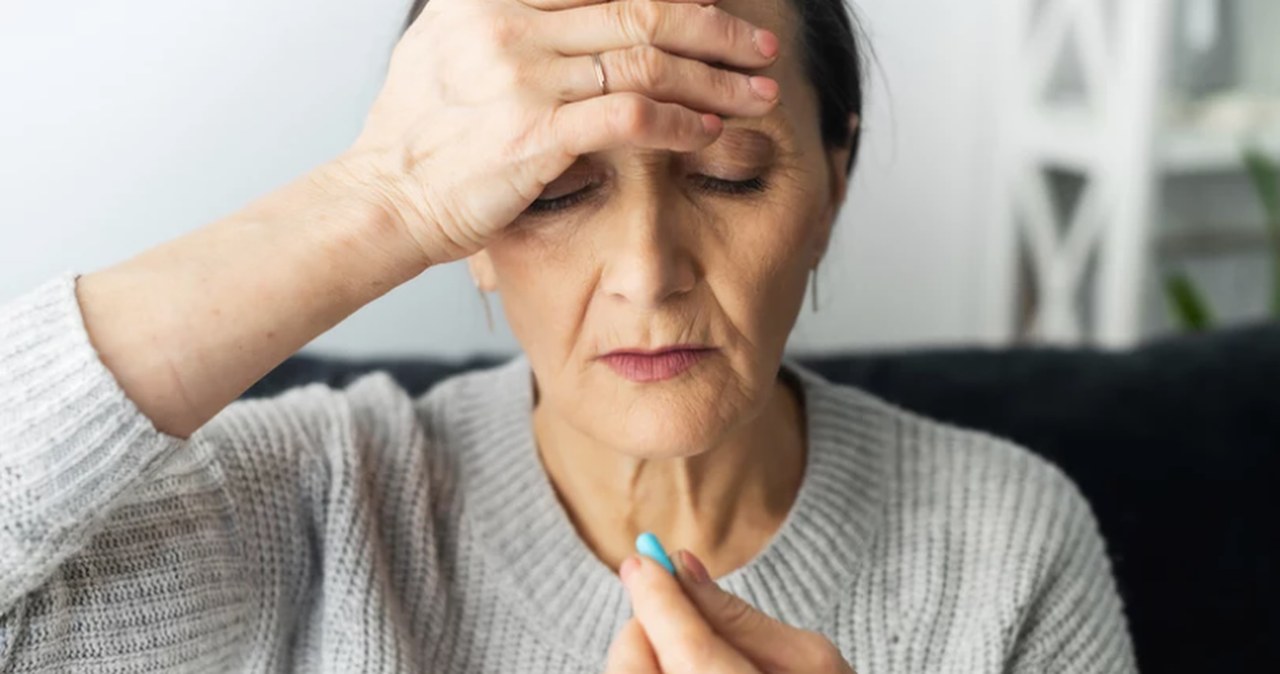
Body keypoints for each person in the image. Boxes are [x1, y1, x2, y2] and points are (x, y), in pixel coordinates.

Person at [0, 0, 1137, 671]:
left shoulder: (1006, 541)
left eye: (727, 175)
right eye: (551, 190)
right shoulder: (311, 502)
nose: (647, 272)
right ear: (469, 226)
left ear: (833, 183)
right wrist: (374, 198)